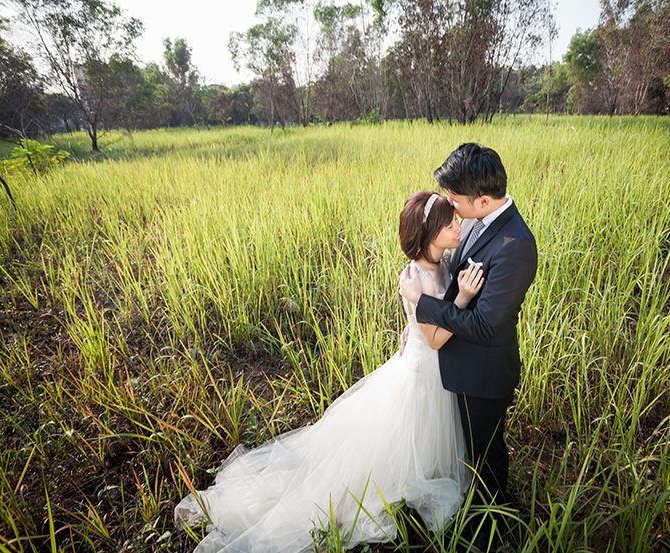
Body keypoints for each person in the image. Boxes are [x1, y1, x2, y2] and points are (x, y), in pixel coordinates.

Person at [175, 191, 487, 553]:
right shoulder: (415, 277)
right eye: (450, 224)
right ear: (429, 233)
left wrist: (413, 323)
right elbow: (433, 339)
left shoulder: (443, 260)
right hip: (422, 373)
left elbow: (425, 320)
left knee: (427, 437)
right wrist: (462, 299)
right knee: (401, 443)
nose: (458, 227)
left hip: (433, 369)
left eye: (455, 221)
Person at [399, 143, 538, 548]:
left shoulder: (515, 245)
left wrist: (421, 304)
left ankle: (492, 526)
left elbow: (482, 324)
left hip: (483, 373)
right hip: (451, 364)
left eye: (454, 200)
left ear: (481, 199)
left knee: (486, 453)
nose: (450, 207)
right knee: (462, 449)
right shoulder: (478, 219)